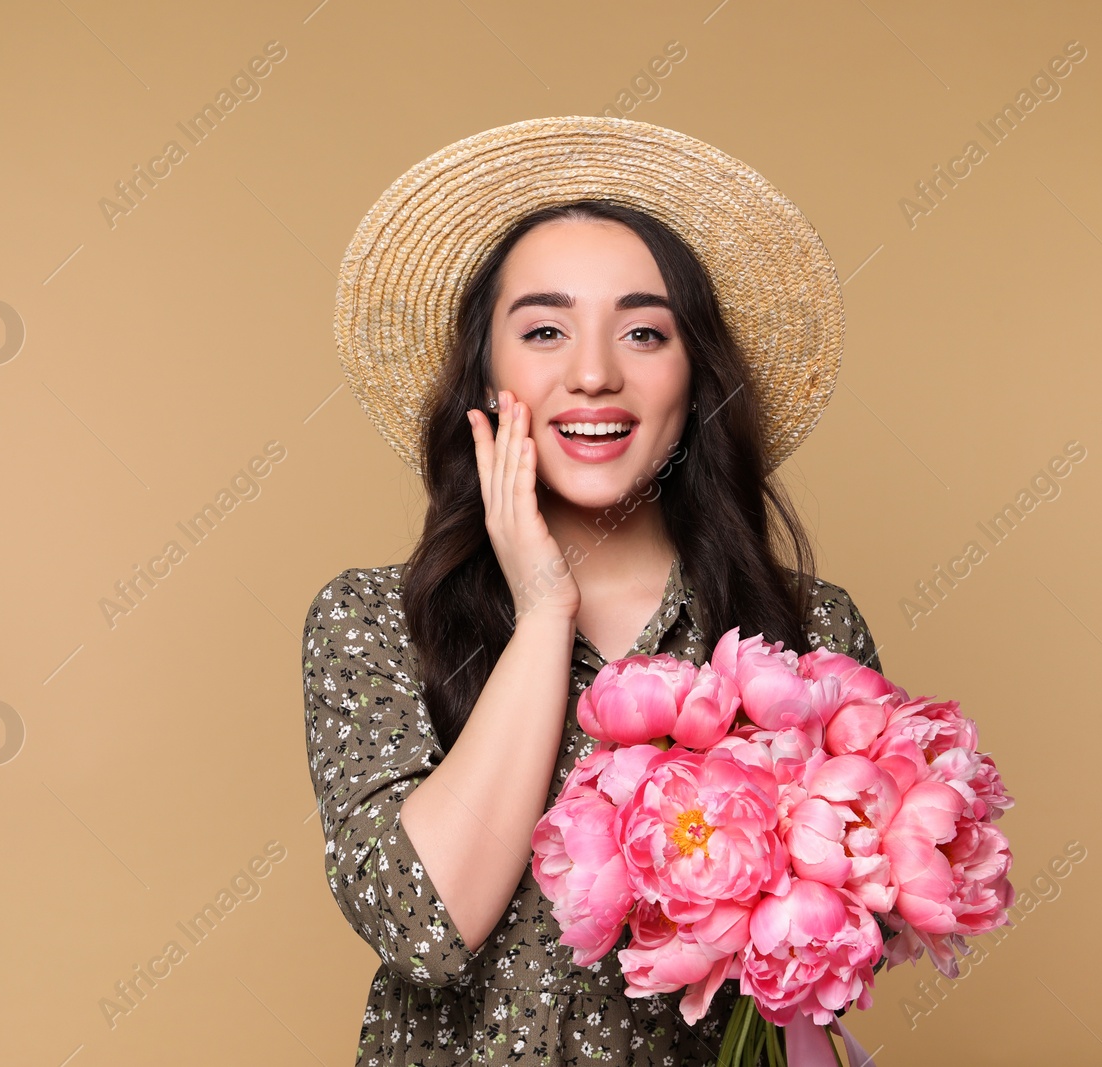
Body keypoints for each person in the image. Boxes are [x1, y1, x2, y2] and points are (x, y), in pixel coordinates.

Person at [302, 116, 883, 1065]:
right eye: (543, 330)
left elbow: (820, 974)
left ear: (696, 379)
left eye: (645, 331)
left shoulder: (807, 630)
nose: (594, 373)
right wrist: (542, 610)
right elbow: (425, 929)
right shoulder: (372, 623)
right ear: (485, 374)